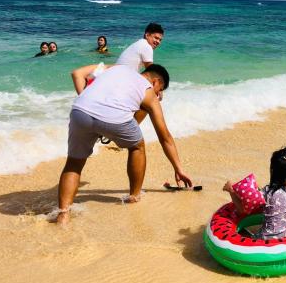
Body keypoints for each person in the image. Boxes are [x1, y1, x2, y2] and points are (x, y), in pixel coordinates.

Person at [55, 63, 192, 224]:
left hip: (80, 110)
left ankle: (63, 214)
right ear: (155, 82)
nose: (159, 95)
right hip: (113, 116)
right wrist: (178, 169)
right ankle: (134, 196)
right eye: (160, 90)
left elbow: (79, 73)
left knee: (74, 162)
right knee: (137, 147)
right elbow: (165, 137)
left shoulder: (118, 67)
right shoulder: (148, 90)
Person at [223, 146, 286, 240]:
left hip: (263, 242)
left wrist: (231, 191)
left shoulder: (268, 192)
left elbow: (243, 210)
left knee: (244, 234)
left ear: (272, 170)